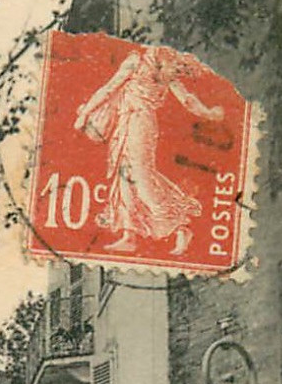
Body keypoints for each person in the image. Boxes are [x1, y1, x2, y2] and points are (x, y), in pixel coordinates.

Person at [73, 43, 224, 256]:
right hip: (125, 122)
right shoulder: (136, 61)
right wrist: (85, 113)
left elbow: (188, 100)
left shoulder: (167, 73)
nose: (171, 73)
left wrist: (209, 113)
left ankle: (181, 227)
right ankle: (129, 236)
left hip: (141, 123)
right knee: (123, 177)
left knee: (142, 179)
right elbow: (109, 88)